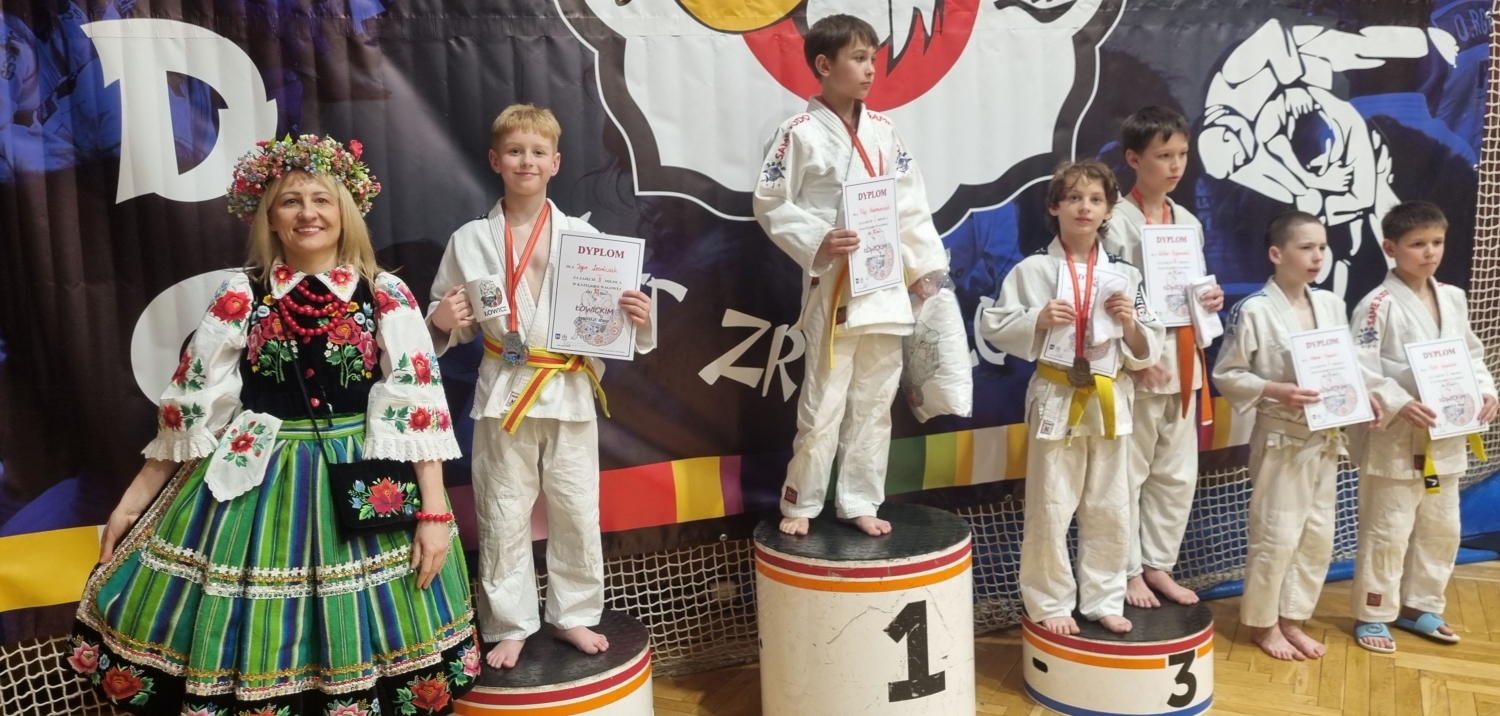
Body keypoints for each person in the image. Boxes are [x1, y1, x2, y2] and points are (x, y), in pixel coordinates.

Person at [69, 135, 479, 715]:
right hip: (256, 475)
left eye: (321, 199)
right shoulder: (242, 293)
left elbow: (418, 406)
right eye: (290, 201)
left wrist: (434, 513)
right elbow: (192, 405)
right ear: (270, 217)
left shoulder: (385, 293)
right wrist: (132, 503)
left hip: (362, 471)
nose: (307, 213)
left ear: (345, 212)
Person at [426, 104, 653, 670]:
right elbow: (444, 313)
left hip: (568, 388)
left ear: (555, 163)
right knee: (502, 509)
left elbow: (608, 322)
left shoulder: (586, 238)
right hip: (505, 389)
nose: (525, 161)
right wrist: (441, 321)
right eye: (514, 151)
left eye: (537, 152)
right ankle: (509, 622)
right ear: (495, 160)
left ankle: (573, 613)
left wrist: (639, 317)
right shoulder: (470, 239)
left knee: (576, 508)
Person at [752, 13, 949, 538]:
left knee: (876, 401)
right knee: (823, 401)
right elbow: (770, 201)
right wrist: (818, 237)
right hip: (836, 282)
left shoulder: (885, 130)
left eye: (872, 59)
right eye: (858, 59)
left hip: (884, 282)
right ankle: (801, 498)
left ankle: (860, 498)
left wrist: (923, 267)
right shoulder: (797, 133)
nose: (869, 70)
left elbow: (911, 204)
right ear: (824, 64)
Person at [979, 159, 1164, 636]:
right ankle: (1050, 600)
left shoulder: (1126, 275)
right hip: (1056, 396)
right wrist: (1037, 320)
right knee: (1051, 504)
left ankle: (1104, 597)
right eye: (1075, 198)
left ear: (1108, 211)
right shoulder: (1034, 270)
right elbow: (994, 325)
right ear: (1055, 207)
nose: (1085, 207)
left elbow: (1148, 348)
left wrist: (1129, 322)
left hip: (1110, 396)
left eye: (1096, 200)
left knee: (1110, 504)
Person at [1213, 210, 1381, 661]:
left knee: (1317, 535)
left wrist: (1365, 396)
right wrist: (1274, 389)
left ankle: (1292, 619)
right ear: (1276, 253)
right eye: (1306, 247)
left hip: (1325, 437)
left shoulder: (1330, 304)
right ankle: (1262, 624)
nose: (1318, 256)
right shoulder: (1254, 309)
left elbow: (1346, 366)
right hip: (1281, 439)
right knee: (1277, 534)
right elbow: (1227, 374)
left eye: (1322, 247)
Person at [1347, 201, 1498, 653]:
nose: (1430, 252)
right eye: (1418, 244)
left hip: (1446, 432)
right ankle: (1374, 612)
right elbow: (1360, 367)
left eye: (1437, 242)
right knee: (1387, 529)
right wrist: (1398, 402)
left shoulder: (1452, 296)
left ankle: (1419, 605)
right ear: (1390, 248)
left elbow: (1471, 353)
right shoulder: (1376, 304)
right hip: (1396, 436)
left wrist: (1485, 391)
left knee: (1441, 527)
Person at [1104, 106, 1225, 608]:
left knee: (1176, 475)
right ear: (1134, 159)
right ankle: (1128, 570)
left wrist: (1208, 300)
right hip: (1139, 361)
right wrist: (1137, 356)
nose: (1176, 165)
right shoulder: (1115, 222)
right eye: (1164, 155)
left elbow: (1188, 291)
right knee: (1128, 475)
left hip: (1184, 359)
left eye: (1182, 154)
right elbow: (1110, 297)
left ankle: (1158, 565)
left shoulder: (1188, 222)